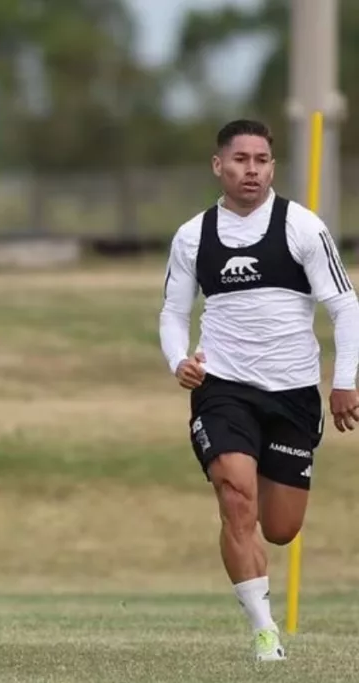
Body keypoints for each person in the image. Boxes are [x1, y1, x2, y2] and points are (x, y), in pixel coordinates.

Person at [159, 119, 359, 662]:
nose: (252, 169)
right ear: (218, 165)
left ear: (273, 166)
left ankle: (264, 598)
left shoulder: (302, 227)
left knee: (280, 528)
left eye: (263, 160)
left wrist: (344, 382)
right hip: (223, 387)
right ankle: (263, 631)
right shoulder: (193, 235)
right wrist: (181, 360)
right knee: (235, 495)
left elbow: (345, 305)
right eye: (242, 159)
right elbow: (174, 313)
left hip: (293, 394)